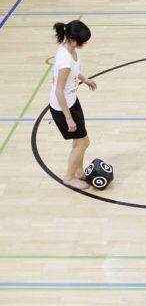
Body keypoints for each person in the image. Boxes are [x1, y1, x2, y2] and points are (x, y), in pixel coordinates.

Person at [48, 20, 97, 190]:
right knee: (84, 143)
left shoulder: (68, 46)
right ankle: (68, 178)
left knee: (79, 141)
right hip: (63, 107)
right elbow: (59, 91)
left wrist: (84, 79)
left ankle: (78, 171)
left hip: (72, 101)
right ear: (74, 39)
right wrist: (68, 118)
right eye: (83, 40)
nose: (85, 44)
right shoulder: (65, 60)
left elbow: (73, 71)